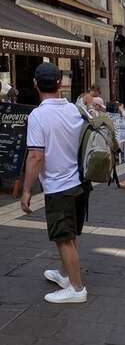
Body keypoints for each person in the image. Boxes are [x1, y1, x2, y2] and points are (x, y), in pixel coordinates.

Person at [20, 63, 88, 304]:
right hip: (79, 183)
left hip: (59, 186)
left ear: (36, 84)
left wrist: (27, 189)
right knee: (69, 233)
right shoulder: (73, 109)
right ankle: (63, 274)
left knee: (63, 238)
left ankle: (77, 288)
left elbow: (36, 155)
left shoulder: (38, 115)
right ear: (60, 84)